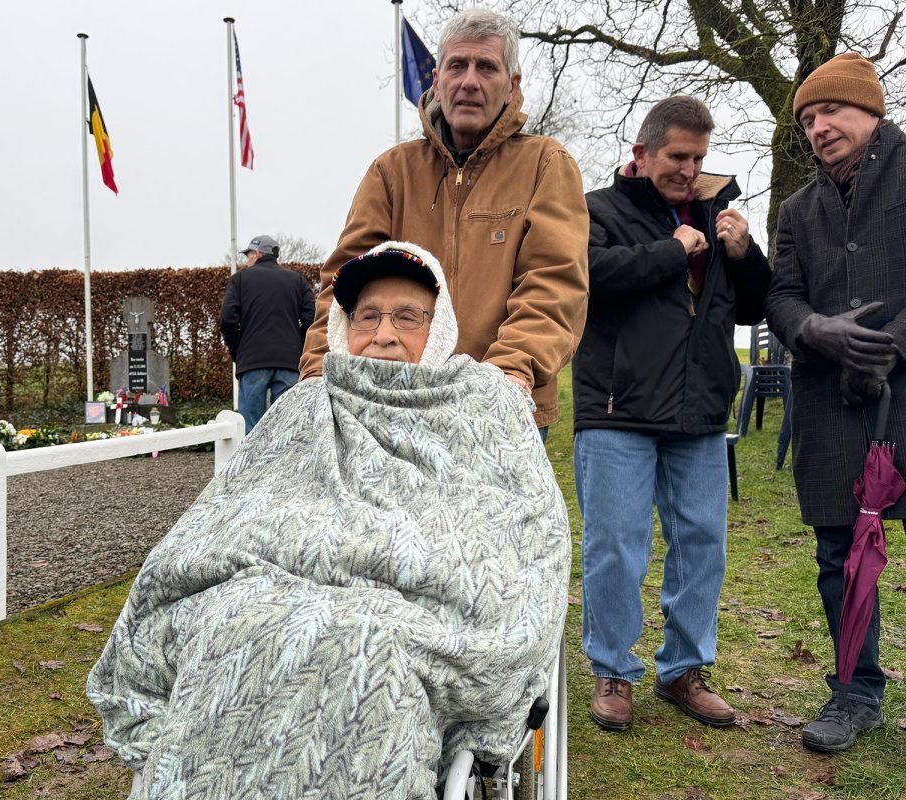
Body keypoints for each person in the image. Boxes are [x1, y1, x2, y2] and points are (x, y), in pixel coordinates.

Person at [89, 242, 568, 799]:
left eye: (408, 317)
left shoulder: (485, 402)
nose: (384, 333)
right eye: (368, 316)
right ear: (345, 325)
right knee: (228, 622)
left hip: (410, 614)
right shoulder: (303, 404)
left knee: (370, 645)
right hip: (271, 586)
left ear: (440, 329)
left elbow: (525, 526)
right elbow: (232, 509)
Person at [574, 96, 771, 732]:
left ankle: (683, 670)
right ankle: (612, 670)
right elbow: (586, 278)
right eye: (678, 156)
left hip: (701, 406)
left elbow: (751, 309)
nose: (689, 169)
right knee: (616, 548)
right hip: (616, 408)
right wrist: (671, 250)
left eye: (699, 158)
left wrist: (745, 255)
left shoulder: (718, 218)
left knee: (702, 545)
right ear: (642, 153)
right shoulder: (596, 210)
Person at [298, 8, 590, 439]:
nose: (469, 81)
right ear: (438, 80)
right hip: (392, 401)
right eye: (457, 65)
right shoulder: (392, 172)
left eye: (486, 67)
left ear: (512, 86)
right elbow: (343, 283)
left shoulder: (546, 164)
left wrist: (508, 374)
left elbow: (554, 283)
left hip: (500, 402)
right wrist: (317, 372)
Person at [765, 52, 905, 754]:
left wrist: (892, 346)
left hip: (904, 393)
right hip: (831, 400)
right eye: (809, 118)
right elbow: (781, 295)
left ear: (872, 110)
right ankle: (856, 691)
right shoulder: (798, 209)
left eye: (833, 111)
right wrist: (814, 330)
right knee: (837, 553)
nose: (819, 127)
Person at [219, 234, 314, 433]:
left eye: (249, 255)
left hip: (252, 361)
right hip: (289, 362)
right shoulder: (297, 280)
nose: (246, 260)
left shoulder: (240, 280)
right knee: (287, 429)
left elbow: (227, 320)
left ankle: (251, 464)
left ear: (258, 253)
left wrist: (239, 352)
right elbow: (311, 319)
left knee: (250, 430)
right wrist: (301, 349)